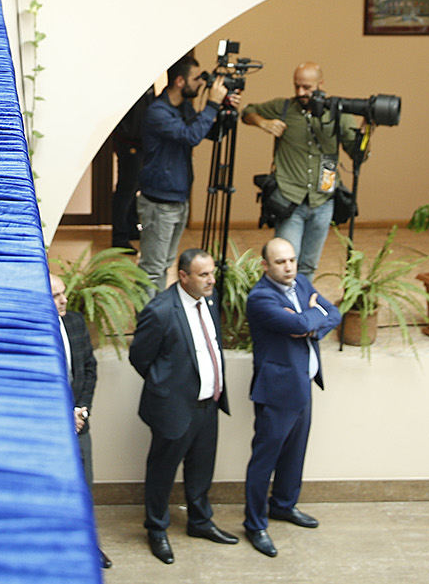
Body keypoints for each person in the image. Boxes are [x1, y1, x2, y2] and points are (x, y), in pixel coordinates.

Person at [129, 248, 238, 564]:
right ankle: (156, 529)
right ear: (183, 276)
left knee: (202, 467)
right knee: (162, 471)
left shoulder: (209, 300)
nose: (211, 280)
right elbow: (140, 357)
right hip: (174, 408)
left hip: (208, 403)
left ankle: (200, 521)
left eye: (213, 273)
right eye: (204, 275)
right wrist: (167, 389)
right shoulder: (161, 310)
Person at [243, 236, 341, 557]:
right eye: (280, 262)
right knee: (264, 460)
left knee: (295, 453)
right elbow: (299, 321)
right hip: (277, 391)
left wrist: (312, 323)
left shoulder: (301, 283)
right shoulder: (260, 298)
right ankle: (255, 524)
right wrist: (312, 316)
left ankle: (283, 506)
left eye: (291, 260)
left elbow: (334, 313)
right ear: (265, 265)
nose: (288, 267)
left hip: (303, 384)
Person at [241, 61, 359, 277]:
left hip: (324, 199)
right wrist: (264, 123)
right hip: (290, 198)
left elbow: (356, 153)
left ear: (321, 84)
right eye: (297, 86)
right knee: (283, 264)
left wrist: (367, 132)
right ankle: (282, 299)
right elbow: (248, 111)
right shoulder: (283, 107)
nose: (300, 92)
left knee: (308, 265)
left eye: (307, 87)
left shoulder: (338, 113)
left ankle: (302, 298)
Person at [136, 53, 237, 294]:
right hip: (159, 203)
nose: (201, 83)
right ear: (180, 81)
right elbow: (190, 136)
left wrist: (226, 111)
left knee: (165, 264)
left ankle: (157, 311)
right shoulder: (158, 112)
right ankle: (148, 315)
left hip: (178, 198)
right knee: (153, 268)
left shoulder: (184, 108)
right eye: (196, 78)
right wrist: (211, 105)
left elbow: (206, 132)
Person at [51, 272, 110, 570]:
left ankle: (88, 546)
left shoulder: (74, 322)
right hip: (48, 427)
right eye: (55, 296)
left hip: (79, 423)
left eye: (64, 293)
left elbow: (89, 369)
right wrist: (62, 416)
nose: (64, 300)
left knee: (84, 487)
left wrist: (81, 410)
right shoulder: (28, 333)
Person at [108, 86, 156, 253]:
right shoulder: (132, 83)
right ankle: (120, 237)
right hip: (130, 142)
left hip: (137, 141)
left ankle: (130, 228)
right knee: (126, 189)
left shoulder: (146, 83)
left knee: (133, 187)